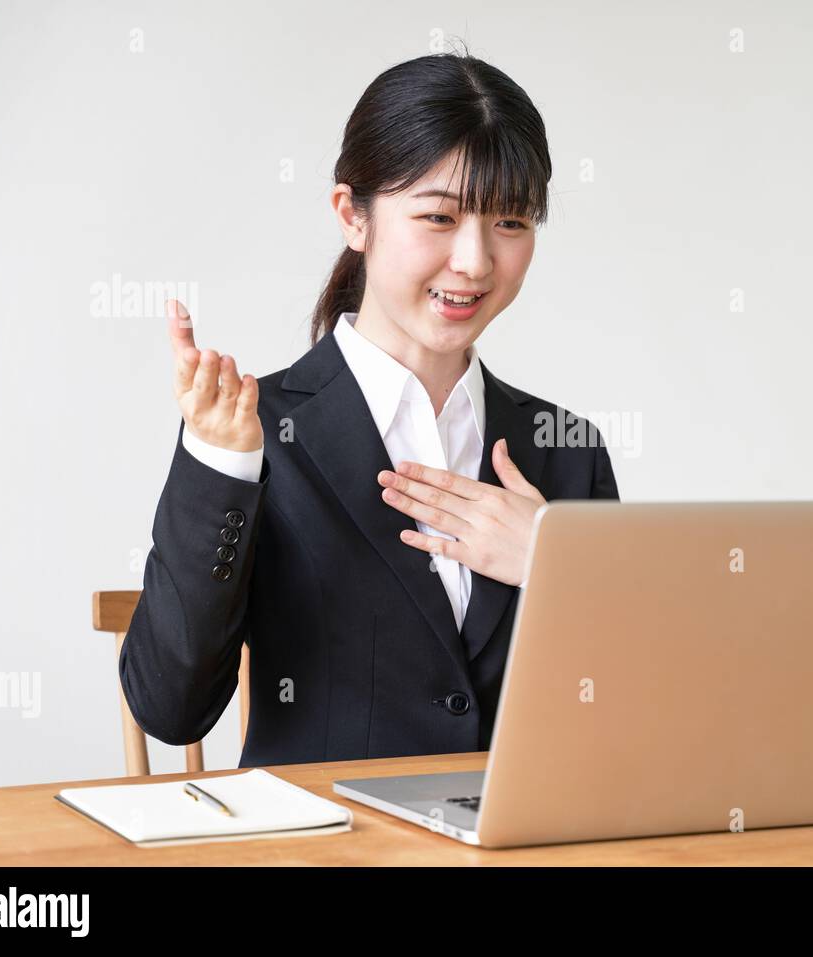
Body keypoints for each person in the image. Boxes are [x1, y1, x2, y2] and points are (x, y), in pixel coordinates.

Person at [119, 50, 620, 768]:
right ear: (353, 214)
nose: (476, 261)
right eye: (439, 217)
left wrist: (556, 562)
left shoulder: (567, 448)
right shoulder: (260, 433)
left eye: (511, 222)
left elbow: (633, 703)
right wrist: (222, 465)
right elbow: (170, 708)